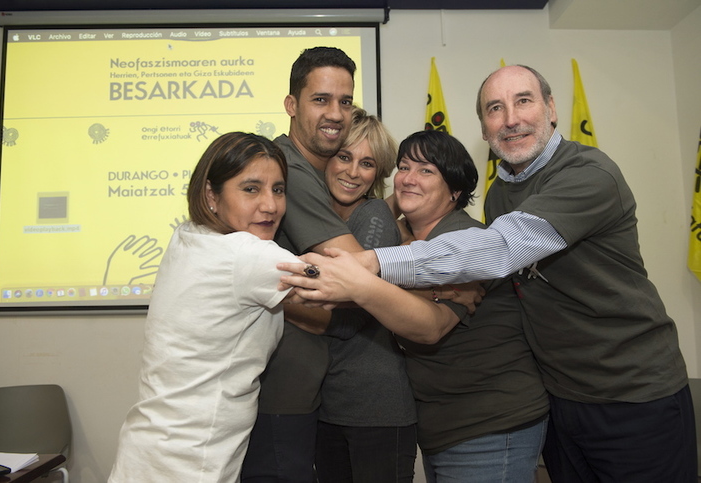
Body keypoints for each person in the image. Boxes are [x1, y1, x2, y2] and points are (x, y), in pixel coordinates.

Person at [283, 65, 696, 482]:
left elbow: (498, 249)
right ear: (483, 128)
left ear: (552, 108)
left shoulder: (588, 174)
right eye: (495, 109)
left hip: (631, 393)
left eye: (523, 101)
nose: (511, 118)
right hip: (560, 395)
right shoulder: (501, 193)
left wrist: (374, 266)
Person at [282, 129, 549, 482]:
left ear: (455, 191)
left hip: (490, 423)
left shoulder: (462, 240)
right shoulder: (410, 240)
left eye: (426, 171)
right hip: (446, 425)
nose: (408, 178)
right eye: (404, 167)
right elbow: (396, 243)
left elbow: (430, 327)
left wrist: (360, 284)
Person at [108, 132, 301, 482]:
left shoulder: (189, 235)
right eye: (251, 189)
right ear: (211, 194)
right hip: (190, 462)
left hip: (148, 450)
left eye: (278, 189)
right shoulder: (246, 253)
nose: (270, 205)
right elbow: (340, 286)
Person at [240, 46, 365, 483]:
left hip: (296, 389)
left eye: (345, 101)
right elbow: (356, 269)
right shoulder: (287, 168)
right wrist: (440, 278)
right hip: (278, 393)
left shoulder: (311, 172)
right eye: (320, 99)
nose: (335, 113)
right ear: (291, 105)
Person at [315, 107, 417, 482]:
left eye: (367, 163)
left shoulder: (373, 215)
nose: (353, 172)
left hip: (375, 410)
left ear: (379, 173)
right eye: (344, 156)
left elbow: (347, 318)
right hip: (329, 407)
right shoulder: (321, 219)